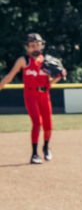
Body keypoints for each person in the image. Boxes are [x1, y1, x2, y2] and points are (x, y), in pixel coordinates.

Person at [0, 33, 66, 164]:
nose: (35, 48)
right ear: (27, 47)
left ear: (42, 45)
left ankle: (46, 147)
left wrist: (58, 77)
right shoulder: (23, 60)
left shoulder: (48, 61)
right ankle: (34, 154)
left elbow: (52, 80)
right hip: (30, 95)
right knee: (37, 123)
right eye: (31, 45)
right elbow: (10, 75)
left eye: (37, 44)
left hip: (44, 95)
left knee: (48, 125)